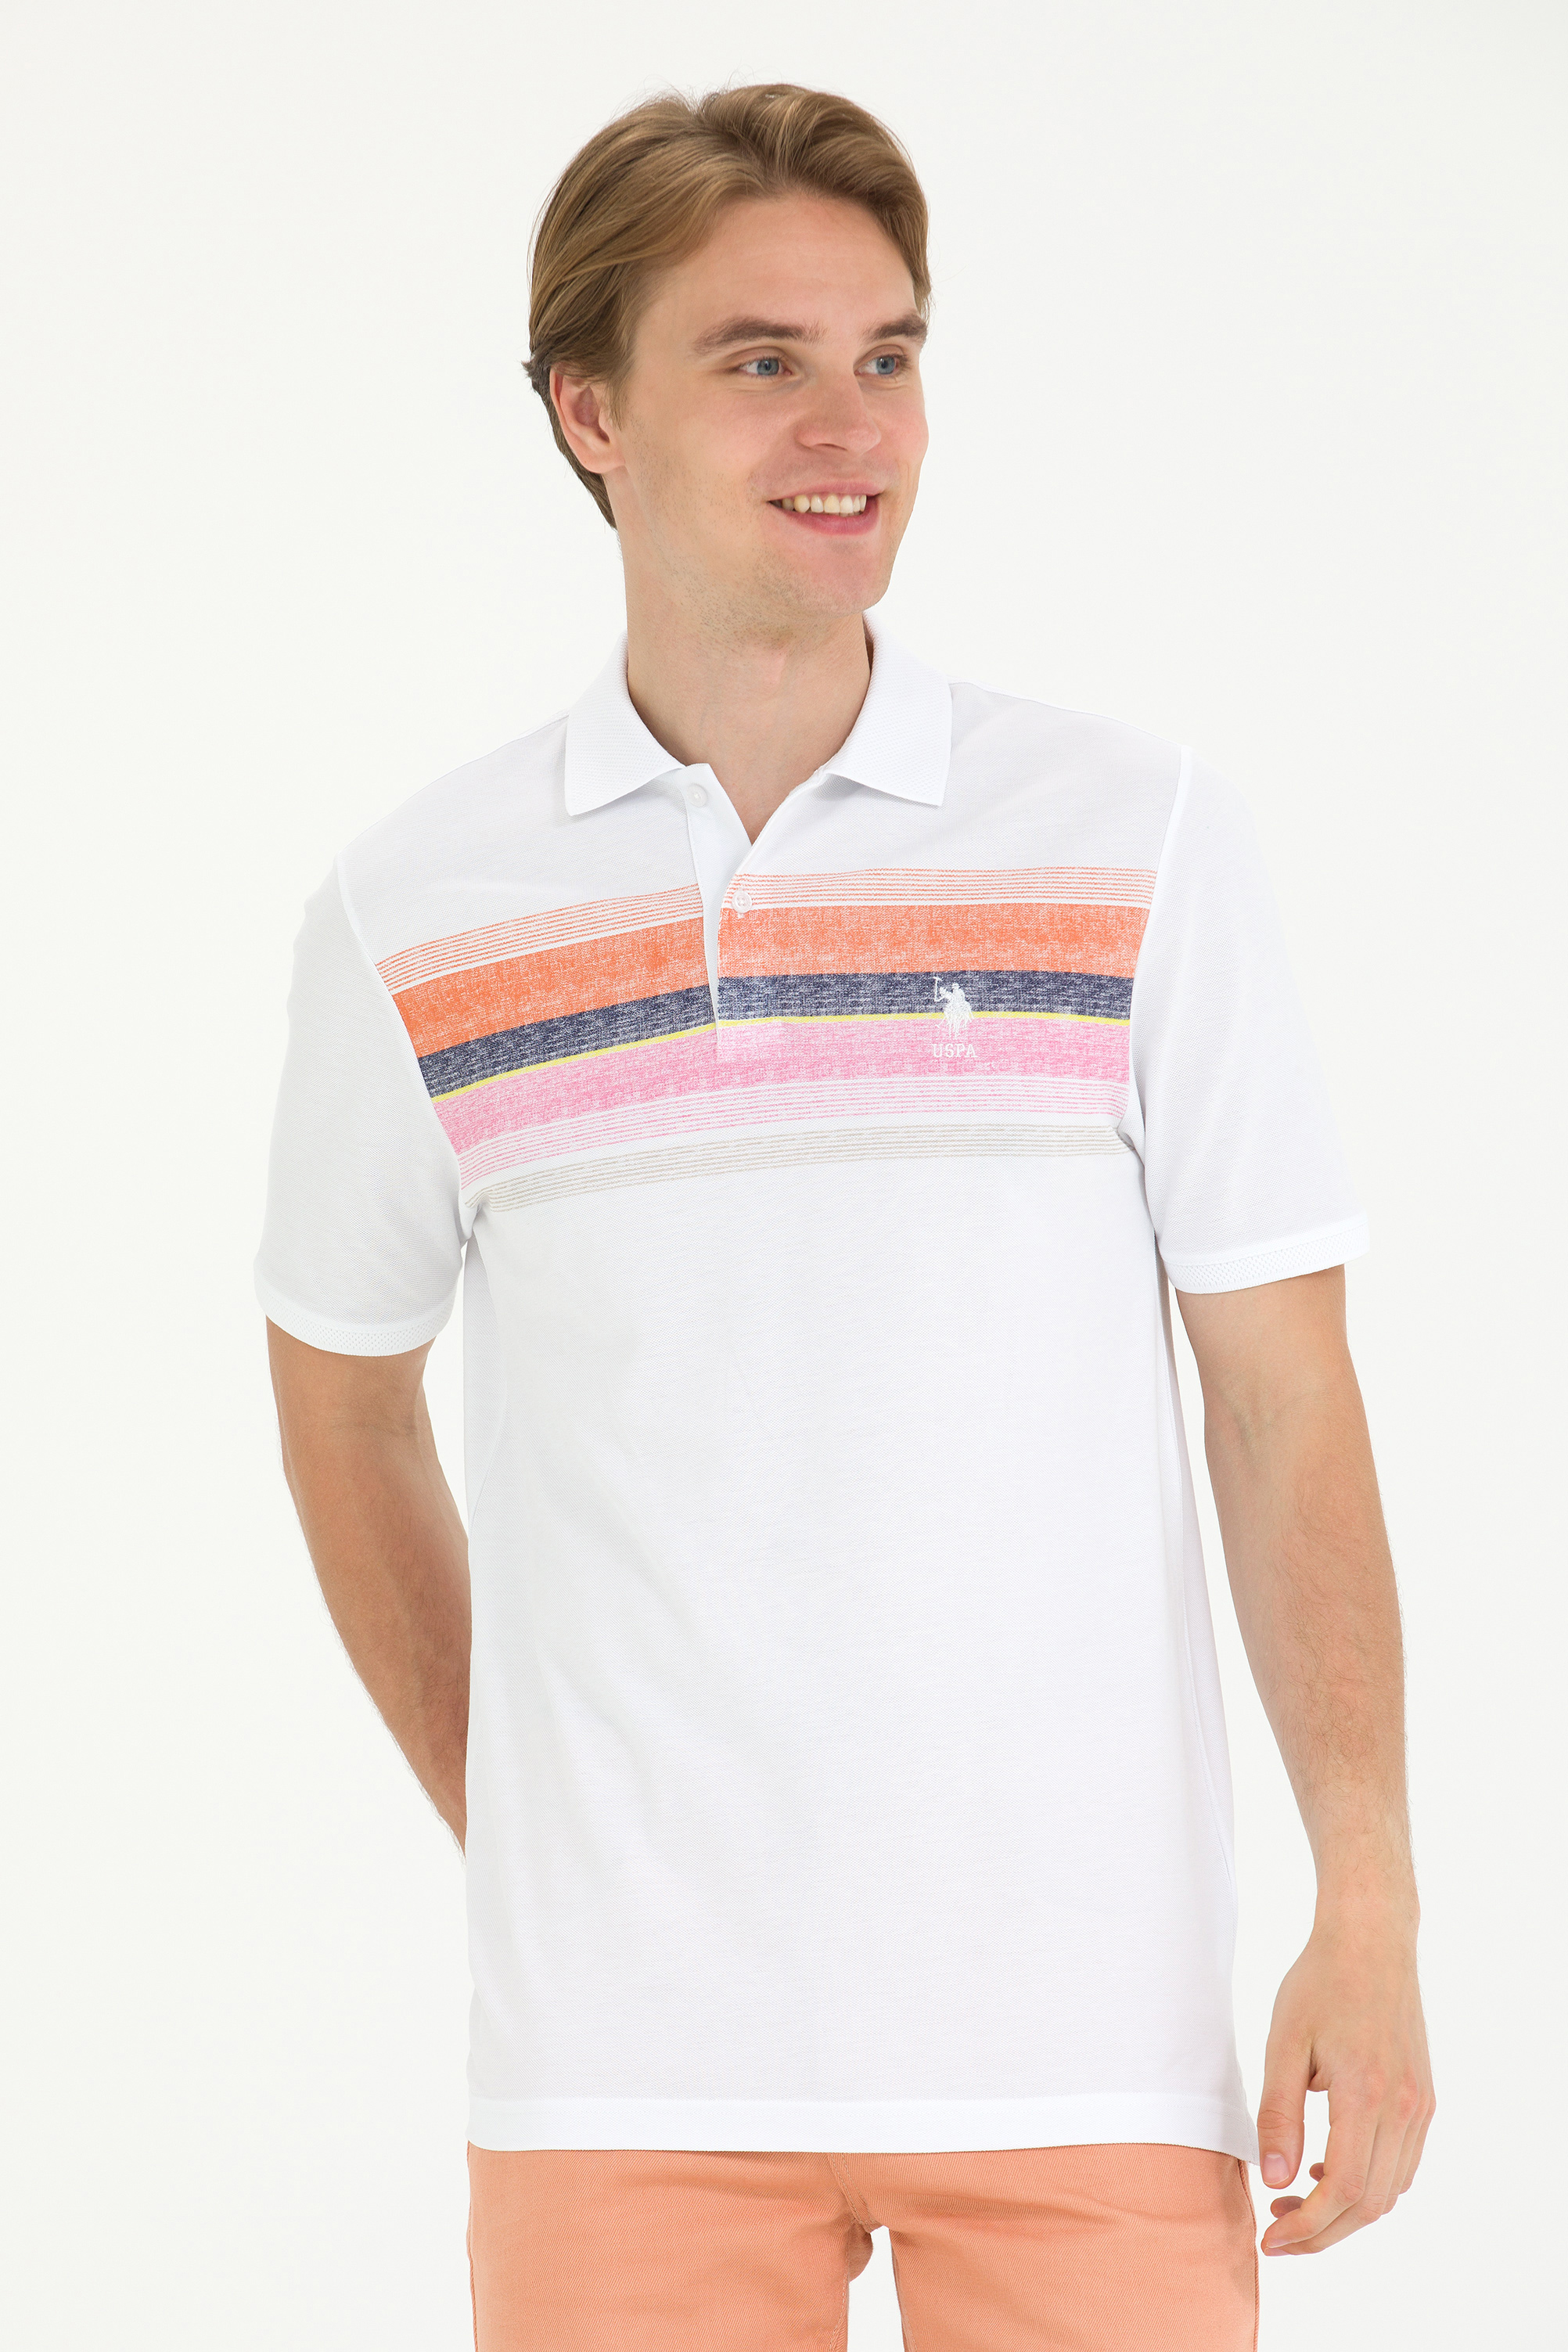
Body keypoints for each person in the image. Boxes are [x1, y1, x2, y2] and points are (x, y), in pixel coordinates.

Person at [256, 82, 1434, 2351]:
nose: (850, 427)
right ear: (589, 413)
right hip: (622, 2082)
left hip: (1089, 2051)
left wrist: (1365, 1904)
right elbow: (340, 1394)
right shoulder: (414, 911)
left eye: (887, 355)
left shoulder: (1137, 839)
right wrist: (529, 1813)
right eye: (761, 360)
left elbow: (1286, 1401)